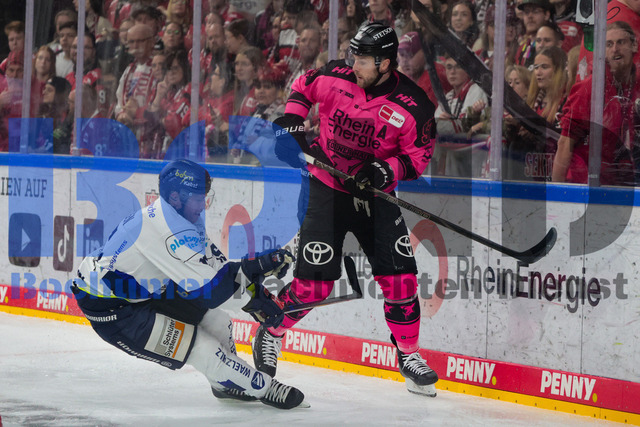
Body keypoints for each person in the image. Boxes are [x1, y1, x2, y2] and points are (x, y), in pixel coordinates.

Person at [253, 23, 439, 397]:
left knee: (401, 280)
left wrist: (383, 171)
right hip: (326, 186)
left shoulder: (414, 105)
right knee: (314, 285)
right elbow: (303, 85)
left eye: (364, 60)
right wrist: (292, 120)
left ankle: (409, 355)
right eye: (354, 57)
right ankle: (271, 331)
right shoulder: (337, 75)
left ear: (385, 63)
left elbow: (417, 158)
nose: (355, 65)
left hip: (376, 196)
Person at [71, 159, 307, 409]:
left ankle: (226, 382)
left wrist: (257, 266)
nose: (203, 204)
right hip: (112, 310)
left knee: (219, 321)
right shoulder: (167, 231)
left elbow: (218, 272)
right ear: (175, 197)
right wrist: (256, 302)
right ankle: (264, 388)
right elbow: (213, 292)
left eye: (204, 197)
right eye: (197, 198)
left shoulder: (182, 217)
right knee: (203, 350)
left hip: (146, 291)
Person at [552, 21, 639, 186]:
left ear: (634, 45)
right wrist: (557, 193)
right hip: (587, 187)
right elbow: (564, 144)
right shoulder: (590, 88)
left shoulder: (635, 87)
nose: (615, 49)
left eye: (621, 42)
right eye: (609, 44)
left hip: (624, 186)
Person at [505, 46, 567, 181]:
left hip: (552, 174)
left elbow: (562, 138)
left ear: (558, 70)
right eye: (536, 67)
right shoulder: (533, 102)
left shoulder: (566, 102)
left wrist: (533, 130)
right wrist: (514, 127)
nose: (538, 72)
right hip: (528, 172)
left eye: (544, 67)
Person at [433, 54, 489, 177]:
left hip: (473, 155)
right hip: (456, 155)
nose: (452, 72)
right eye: (449, 67)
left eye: (458, 67)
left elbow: (462, 126)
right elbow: (435, 125)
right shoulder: (448, 96)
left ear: (467, 70)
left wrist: (443, 123)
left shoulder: (476, 89)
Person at [515, 0, 554, 68]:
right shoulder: (522, 48)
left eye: (535, 11)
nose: (530, 16)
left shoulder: (552, 44)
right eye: (526, 12)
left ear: (546, 15)